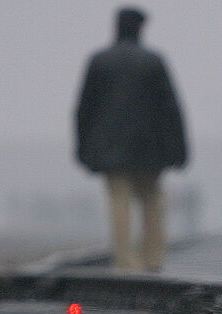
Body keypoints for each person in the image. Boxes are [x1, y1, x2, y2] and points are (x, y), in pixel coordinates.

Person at [74, 6, 187, 272]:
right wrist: (178, 149)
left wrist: (83, 148)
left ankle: (125, 260)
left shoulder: (99, 61)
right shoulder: (153, 61)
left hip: (110, 148)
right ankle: (152, 258)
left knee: (119, 201)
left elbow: (85, 108)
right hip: (150, 148)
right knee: (151, 200)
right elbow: (169, 107)